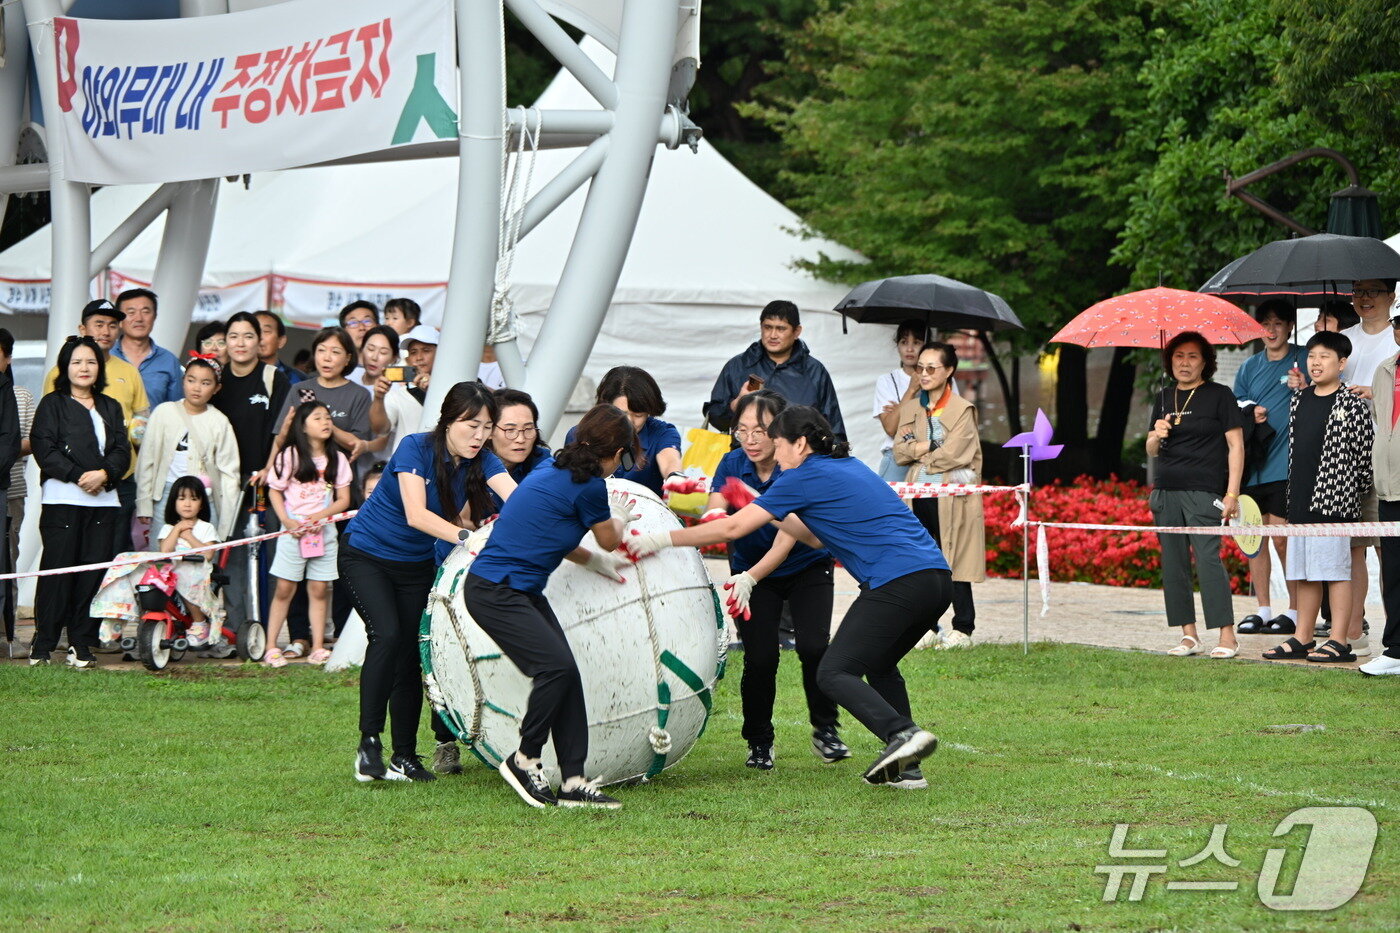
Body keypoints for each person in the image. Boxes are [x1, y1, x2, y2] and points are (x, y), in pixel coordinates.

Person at [622, 405, 950, 788]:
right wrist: (757, 502)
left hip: (897, 582)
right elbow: (812, 537)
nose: (775, 454)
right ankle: (907, 768)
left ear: (800, 443)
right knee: (878, 665)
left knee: (833, 671)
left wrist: (657, 540)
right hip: (935, 580)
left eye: (778, 444)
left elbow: (730, 529)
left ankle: (902, 733)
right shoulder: (846, 465)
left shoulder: (805, 475)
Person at [342, 383, 517, 783]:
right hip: (366, 555)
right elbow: (416, 516)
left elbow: (520, 500)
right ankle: (369, 742)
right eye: (471, 425)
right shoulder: (414, 447)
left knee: (408, 656)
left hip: (415, 565)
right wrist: (469, 538)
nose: (479, 435)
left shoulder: (483, 460)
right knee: (386, 636)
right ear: (448, 420)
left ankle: (404, 757)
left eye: (487, 427)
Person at [464, 404, 637, 808]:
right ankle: (525, 758)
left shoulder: (551, 469)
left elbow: (553, 534)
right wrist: (621, 519)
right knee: (554, 668)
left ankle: (574, 782)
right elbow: (609, 538)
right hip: (496, 590)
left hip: (514, 589)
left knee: (565, 673)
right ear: (616, 453)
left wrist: (593, 561)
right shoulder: (590, 485)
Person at [705, 390, 846, 773]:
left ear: (780, 433)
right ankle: (759, 741)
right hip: (750, 570)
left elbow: (789, 538)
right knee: (761, 657)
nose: (750, 440)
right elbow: (716, 506)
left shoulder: (796, 466)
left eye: (760, 431)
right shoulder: (731, 461)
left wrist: (750, 575)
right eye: (742, 430)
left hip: (806, 565)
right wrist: (709, 514)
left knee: (816, 646)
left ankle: (826, 729)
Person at [1263, 332, 1373, 664]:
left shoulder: (1352, 402)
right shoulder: (1300, 399)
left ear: (1342, 364)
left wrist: (1346, 494)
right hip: (1300, 500)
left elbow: (1365, 457)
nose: (1316, 362)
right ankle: (1303, 637)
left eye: (1325, 356)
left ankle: (1339, 640)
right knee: (1306, 570)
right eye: (1312, 355)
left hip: (1335, 504)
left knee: (1337, 572)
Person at [29, 336, 130, 668]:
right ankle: (43, 644)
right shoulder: (52, 404)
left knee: (92, 574)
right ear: (65, 367)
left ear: (99, 367)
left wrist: (104, 474)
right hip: (63, 501)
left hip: (104, 502)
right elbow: (45, 450)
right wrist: (78, 476)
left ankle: (81, 644)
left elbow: (121, 451)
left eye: (90, 361)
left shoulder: (110, 406)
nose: (84, 368)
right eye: (76, 362)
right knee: (58, 572)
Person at [1145, 332, 1244, 658]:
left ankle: (1226, 635)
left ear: (1205, 362)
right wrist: (1157, 434)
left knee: (1208, 560)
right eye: (1178, 356)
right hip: (1165, 490)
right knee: (1173, 564)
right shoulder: (1163, 396)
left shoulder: (1219, 395)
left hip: (1205, 491)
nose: (1184, 363)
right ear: (1170, 360)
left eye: (1192, 357)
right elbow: (1150, 448)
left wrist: (1232, 493)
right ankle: (1189, 635)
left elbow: (1236, 446)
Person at [893, 342, 985, 649]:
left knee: (955, 557)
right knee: (922, 560)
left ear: (949, 371)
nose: (925, 373)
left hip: (950, 495)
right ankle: (927, 627)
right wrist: (929, 447)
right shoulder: (911, 408)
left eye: (932, 368)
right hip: (918, 491)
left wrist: (920, 451)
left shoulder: (962, 409)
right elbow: (899, 451)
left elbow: (957, 453)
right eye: (921, 367)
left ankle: (963, 628)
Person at [44, 299, 151, 557]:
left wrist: (130, 452)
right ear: (83, 328)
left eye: (113, 325)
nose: (106, 331)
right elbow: (49, 430)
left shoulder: (129, 371)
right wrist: (80, 474)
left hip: (120, 478)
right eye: (99, 324)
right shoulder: (60, 372)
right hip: (70, 482)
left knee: (111, 554)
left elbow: (140, 417)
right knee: (69, 555)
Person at [210, 311, 291, 635]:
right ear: (225, 342)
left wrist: (270, 470)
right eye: (234, 336)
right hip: (224, 486)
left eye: (248, 336)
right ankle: (235, 629)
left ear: (260, 342)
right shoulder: (215, 380)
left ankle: (267, 633)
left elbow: (282, 432)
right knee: (231, 558)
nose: (240, 343)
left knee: (269, 555)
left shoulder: (273, 378)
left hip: (266, 484)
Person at [1233, 300, 1305, 635]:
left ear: (1290, 326)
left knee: (1282, 539)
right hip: (1254, 465)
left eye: (1279, 323)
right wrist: (1252, 411)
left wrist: (1303, 386)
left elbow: (1327, 390)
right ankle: (1262, 609)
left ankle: (1293, 610)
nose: (1272, 330)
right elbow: (1236, 405)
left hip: (1288, 465)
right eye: (1266, 323)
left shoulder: (1304, 357)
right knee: (1255, 539)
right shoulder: (1249, 367)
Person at [263, 401, 353, 668]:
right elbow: (274, 491)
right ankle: (270, 647)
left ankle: (317, 647)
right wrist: (287, 521)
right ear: (302, 426)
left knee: (319, 588)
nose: (326, 422)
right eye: (318, 418)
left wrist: (320, 517)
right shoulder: (289, 455)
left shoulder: (337, 458)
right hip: (292, 534)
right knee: (284, 588)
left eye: (327, 417)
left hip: (323, 534)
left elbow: (344, 499)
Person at [134, 357, 241, 548]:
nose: (197, 388)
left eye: (205, 383)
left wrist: (227, 522)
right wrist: (144, 503)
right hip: (166, 495)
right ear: (183, 380)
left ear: (217, 388)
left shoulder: (220, 421)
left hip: (204, 498)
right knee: (160, 556)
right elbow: (146, 460)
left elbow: (229, 474)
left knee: (202, 559)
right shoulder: (163, 412)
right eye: (191, 380)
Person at [704, 300, 845, 439]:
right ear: (761, 327)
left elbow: (833, 427)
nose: (772, 335)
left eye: (781, 328)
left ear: (797, 331)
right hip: (747, 457)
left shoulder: (814, 371)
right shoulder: (738, 366)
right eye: (768, 327)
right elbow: (716, 419)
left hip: (799, 459)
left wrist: (835, 458)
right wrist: (736, 405)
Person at [565, 366, 681, 497]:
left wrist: (674, 475)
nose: (629, 421)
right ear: (605, 406)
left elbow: (669, 457)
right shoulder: (579, 434)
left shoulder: (662, 432)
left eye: (638, 415)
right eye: (620, 413)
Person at [1364, 304, 1400, 676]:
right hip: (1389, 491)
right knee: (1394, 573)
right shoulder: (1384, 370)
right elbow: (1382, 426)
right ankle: (1396, 650)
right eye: (1399, 323)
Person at [155, 475, 221, 646]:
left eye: (194, 499)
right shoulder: (168, 528)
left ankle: (200, 624)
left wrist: (189, 536)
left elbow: (208, 555)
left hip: (198, 574)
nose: (187, 503)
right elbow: (165, 551)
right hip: (170, 574)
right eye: (182, 498)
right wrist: (177, 529)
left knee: (185, 574)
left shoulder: (206, 528)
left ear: (201, 505)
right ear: (174, 502)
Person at [0, 330, 33, 643]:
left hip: (11, 490)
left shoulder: (21, 395)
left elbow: (32, 440)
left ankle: (7, 634)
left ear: (8, 357)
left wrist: (8, 445)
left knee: (7, 559)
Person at [370, 324, 437, 459]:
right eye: (413, 352)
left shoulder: (456, 388)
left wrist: (432, 390)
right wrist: (378, 397)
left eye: (426, 350)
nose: (419, 357)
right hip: (406, 470)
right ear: (408, 359)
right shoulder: (398, 395)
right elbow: (381, 429)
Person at [111, 288, 184, 406]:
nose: (139, 318)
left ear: (155, 316)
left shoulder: (169, 361)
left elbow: (177, 408)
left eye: (145, 312)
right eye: (131, 312)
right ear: (119, 319)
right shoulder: (104, 356)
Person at [873, 320, 927, 481]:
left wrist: (900, 411)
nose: (909, 349)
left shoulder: (942, 380)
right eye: (904, 342)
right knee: (889, 505)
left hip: (930, 457)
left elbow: (948, 420)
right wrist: (911, 390)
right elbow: (890, 428)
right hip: (897, 456)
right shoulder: (887, 381)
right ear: (897, 345)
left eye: (917, 342)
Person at [254, 310, 305, 385]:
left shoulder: (297, 380)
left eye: (266, 331)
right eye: (254, 331)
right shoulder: (233, 377)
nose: (260, 337)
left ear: (281, 341)